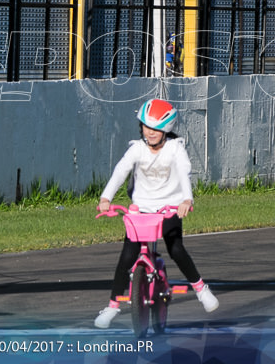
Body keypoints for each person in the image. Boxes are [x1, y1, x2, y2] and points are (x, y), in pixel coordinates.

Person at [93, 98, 218, 329]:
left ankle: (201, 290)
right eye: (145, 127)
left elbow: (183, 172)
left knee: (176, 249)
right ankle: (112, 306)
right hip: (141, 209)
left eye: (155, 129)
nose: (149, 132)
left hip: (170, 207)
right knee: (127, 257)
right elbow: (121, 171)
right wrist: (105, 198)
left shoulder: (175, 148)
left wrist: (186, 199)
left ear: (166, 130)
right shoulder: (137, 149)